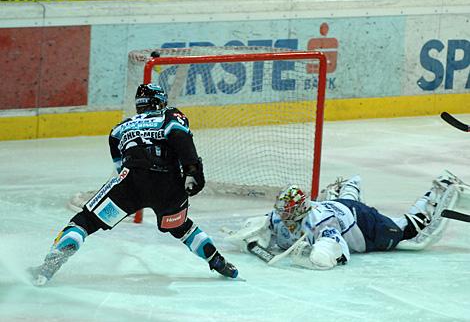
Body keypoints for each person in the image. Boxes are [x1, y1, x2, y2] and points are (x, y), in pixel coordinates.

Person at [30, 83, 238, 286]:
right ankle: (218, 262)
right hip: (169, 186)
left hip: (131, 184)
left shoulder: (118, 129)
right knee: (182, 227)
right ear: (159, 102)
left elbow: (120, 168)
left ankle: (49, 266)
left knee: (86, 221)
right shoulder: (170, 115)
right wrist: (193, 170)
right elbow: (179, 136)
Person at [226, 171, 464, 270]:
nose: (283, 216)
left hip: (365, 225)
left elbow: (325, 255)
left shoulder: (321, 224)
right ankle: (351, 184)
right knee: (347, 202)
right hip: (340, 208)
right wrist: (250, 238)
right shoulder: (278, 217)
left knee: (406, 229)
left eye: (288, 212)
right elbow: (255, 229)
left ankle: (440, 187)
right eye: (282, 211)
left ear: (300, 210)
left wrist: (313, 253)